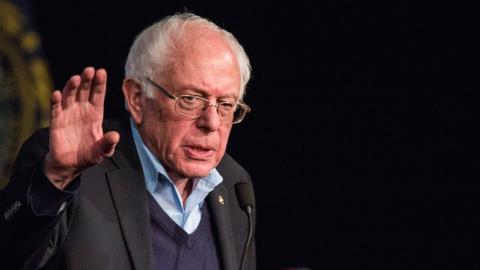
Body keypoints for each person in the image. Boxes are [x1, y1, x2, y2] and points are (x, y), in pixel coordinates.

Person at [0, 12, 256, 270]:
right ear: (136, 98)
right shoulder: (67, 168)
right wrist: (53, 181)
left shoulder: (234, 185)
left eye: (226, 105)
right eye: (190, 99)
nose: (211, 123)